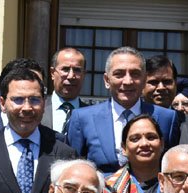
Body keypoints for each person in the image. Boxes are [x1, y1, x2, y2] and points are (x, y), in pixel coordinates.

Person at [66, 46, 179, 174]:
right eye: (119, 74)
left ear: (144, 80)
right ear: (107, 80)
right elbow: (72, 170)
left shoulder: (166, 118)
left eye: (135, 74)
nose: (127, 81)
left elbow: (171, 169)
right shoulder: (82, 118)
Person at [43, 47, 92, 134]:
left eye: (77, 70)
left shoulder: (92, 115)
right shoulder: (38, 108)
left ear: (84, 74)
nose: (71, 76)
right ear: (52, 73)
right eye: (65, 69)